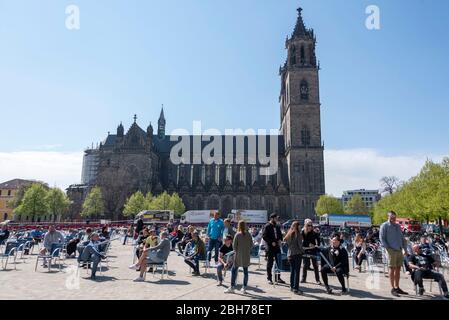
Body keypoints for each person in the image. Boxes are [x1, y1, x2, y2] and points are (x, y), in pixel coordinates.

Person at [380, 211, 408, 297]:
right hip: (391, 250)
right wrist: (388, 249)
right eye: (391, 217)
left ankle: (397, 287)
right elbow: (382, 238)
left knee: (398, 269)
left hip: (399, 249)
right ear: (388, 217)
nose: (393, 219)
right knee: (392, 269)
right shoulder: (384, 225)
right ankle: (392, 288)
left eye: (394, 217)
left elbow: (402, 238)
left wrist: (405, 248)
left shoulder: (398, 226)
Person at [225, 220, 253, 294]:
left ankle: (232, 287)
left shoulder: (237, 234)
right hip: (246, 255)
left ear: (239, 226)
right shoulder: (249, 234)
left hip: (238, 255)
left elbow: (234, 247)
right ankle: (244, 287)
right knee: (245, 272)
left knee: (233, 271)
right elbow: (251, 245)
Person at [262, 213, 286, 285]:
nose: (276, 220)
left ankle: (277, 277)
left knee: (278, 262)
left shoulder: (277, 226)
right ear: (271, 218)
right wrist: (271, 242)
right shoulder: (267, 226)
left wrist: (280, 240)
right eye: (275, 218)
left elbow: (279, 235)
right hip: (270, 247)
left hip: (277, 246)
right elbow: (264, 236)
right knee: (270, 263)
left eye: (276, 218)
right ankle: (269, 278)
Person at [284, 221, 304, 294]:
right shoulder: (297, 234)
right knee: (297, 272)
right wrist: (303, 251)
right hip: (297, 254)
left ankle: (292, 287)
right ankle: (296, 288)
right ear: (297, 226)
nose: (300, 227)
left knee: (292, 271)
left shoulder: (288, 234)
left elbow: (286, 243)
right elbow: (300, 246)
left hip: (290, 255)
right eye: (299, 226)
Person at [301, 219, 321, 284]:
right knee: (305, 265)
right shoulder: (303, 232)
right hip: (305, 250)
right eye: (308, 225)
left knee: (315, 265)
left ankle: (317, 280)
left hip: (313, 250)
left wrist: (316, 245)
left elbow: (318, 240)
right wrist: (309, 243)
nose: (310, 227)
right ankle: (303, 279)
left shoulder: (314, 232)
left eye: (311, 225)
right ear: (305, 225)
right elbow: (303, 241)